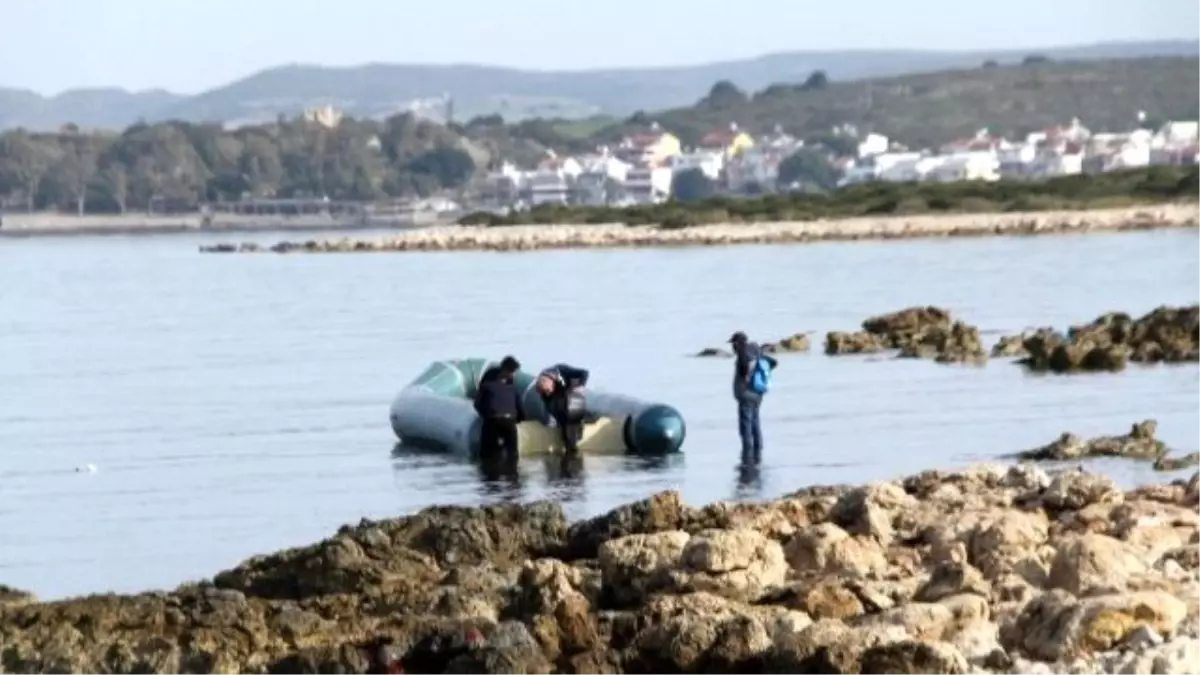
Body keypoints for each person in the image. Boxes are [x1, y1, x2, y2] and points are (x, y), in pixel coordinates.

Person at [728, 331, 778, 465]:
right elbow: (773, 362)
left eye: (733, 344)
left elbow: (744, 370)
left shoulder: (743, 355)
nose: (732, 347)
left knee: (745, 428)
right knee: (755, 424)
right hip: (757, 394)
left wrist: (746, 377)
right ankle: (758, 453)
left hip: (746, 396)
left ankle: (747, 457)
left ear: (737, 344)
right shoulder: (755, 350)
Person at [473, 355, 525, 463]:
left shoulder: (487, 385)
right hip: (509, 421)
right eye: (513, 372)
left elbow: (477, 404)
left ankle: (490, 474)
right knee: (512, 454)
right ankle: (512, 473)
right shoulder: (513, 388)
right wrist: (519, 419)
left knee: (487, 454)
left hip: (492, 420)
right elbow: (520, 408)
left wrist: (486, 415)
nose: (514, 375)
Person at [535, 363, 590, 455]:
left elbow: (585, 373)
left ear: (551, 382)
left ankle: (580, 424)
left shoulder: (562, 370)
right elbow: (548, 406)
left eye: (547, 391)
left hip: (573, 393)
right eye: (544, 392)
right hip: (562, 400)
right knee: (566, 430)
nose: (547, 393)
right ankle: (570, 445)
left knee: (572, 420)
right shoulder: (543, 388)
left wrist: (580, 386)